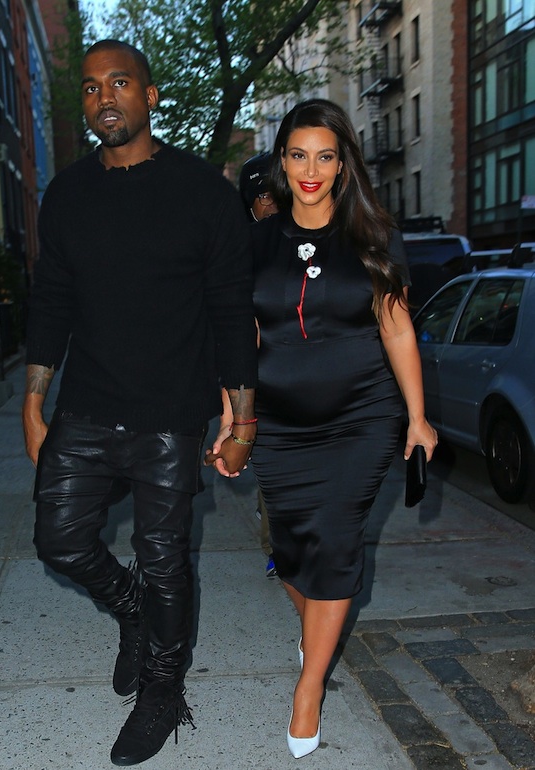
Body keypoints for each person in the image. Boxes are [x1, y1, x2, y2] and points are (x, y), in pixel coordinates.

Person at [22, 39, 257, 766]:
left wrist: (242, 417)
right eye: (92, 88)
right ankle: (132, 614)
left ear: (150, 96)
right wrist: (33, 401)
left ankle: (162, 688)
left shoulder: (202, 191)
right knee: (58, 539)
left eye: (119, 83)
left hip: (170, 411)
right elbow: (51, 300)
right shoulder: (67, 194)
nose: (105, 99)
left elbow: (230, 310)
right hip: (87, 403)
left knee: (164, 560)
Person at [205, 99, 437, 759]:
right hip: (279, 424)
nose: (311, 170)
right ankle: (317, 629)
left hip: (362, 416)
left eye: (325, 156)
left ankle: (308, 689)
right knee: (288, 550)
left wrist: (417, 416)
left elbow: (396, 327)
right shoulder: (255, 243)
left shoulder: (373, 234)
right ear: (281, 162)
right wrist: (234, 418)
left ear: (343, 164)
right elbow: (241, 340)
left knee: (335, 544)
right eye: (299, 155)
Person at [239, 152, 279, 577]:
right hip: (262, 378)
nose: (273, 203)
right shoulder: (240, 249)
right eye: (264, 195)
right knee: (272, 468)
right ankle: (277, 549)